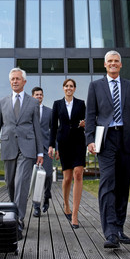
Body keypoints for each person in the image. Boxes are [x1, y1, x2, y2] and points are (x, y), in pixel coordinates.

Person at [86, 50, 130, 249]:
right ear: (105, 64)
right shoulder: (95, 86)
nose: (113, 64)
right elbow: (90, 115)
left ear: (121, 64)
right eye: (110, 61)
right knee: (107, 184)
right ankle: (110, 233)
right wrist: (89, 139)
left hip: (125, 139)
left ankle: (119, 228)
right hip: (106, 141)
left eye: (116, 61)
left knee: (123, 186)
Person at [0, 68, 43, 239]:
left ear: (24, 81)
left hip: (27, 149)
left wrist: (40, 151)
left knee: (22, 182)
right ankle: (15, 211)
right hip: (8, 146)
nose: (14, 81)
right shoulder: (2, 102)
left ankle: (18, 219)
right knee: (11, 183)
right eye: (12, 79)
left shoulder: (33, 103)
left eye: (18, 79)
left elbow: (37, 129)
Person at [48, 79, 86, 229]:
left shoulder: (81, 103)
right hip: (63, 143)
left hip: (78, 142)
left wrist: (85, 123)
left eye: (71, 86)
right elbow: (53, 127)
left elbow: (87, 120)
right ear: (63, 88)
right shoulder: (57, 104)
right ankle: (66, 203)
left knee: (78, 173)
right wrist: (52, 145)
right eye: (66, 86)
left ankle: (75, 215)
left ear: (75, 89)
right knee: (67, 177)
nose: (69, 88)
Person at [31, 87, 53, 217]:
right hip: (32, 149)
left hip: (46, 148)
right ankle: (36, 207)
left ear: (43, 96)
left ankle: (47, 196)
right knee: (35, 178)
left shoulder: (49, 112)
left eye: (40, 95)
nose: (39, 96)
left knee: (48, 175)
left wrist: (53, 146)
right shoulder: (28, 111)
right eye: (36, 95)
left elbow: (53, 130)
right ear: (33, 96)